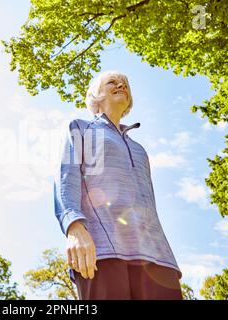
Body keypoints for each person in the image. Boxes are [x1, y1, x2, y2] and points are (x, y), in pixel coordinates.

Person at [54, 71, 183, 300]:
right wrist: (74, 227)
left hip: (158, 257)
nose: (121, 85)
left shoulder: (140, 150)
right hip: (102, 251)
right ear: (95, 94)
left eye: (125, 83)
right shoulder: (82, 129)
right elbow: (67, 178)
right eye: (112, 82)